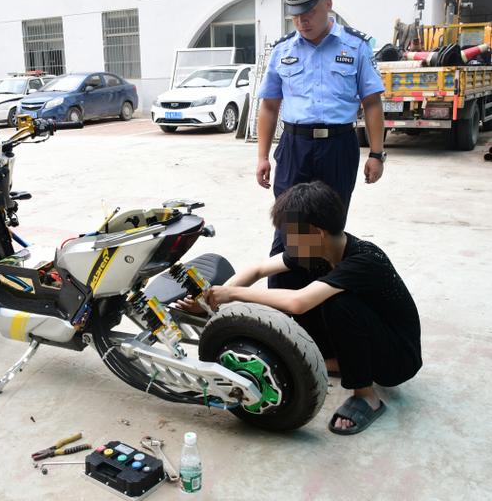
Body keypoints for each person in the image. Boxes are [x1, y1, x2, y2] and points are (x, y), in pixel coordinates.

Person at [179, 181, 422, 435]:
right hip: (367, 339)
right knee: (288, 278)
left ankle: (366, 396)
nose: (287, 243)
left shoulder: (364, 259)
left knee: (340, 303)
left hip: (396, 358)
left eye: (290, 236)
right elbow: (258, 270)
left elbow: (299, 302)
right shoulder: (320, 250)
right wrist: (211, 299)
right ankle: (335, 361)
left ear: (316, 233)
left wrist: (231, 294)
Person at [255, 0, 387, 289]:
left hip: (338, 147)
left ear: (328, 5)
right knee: (291, 224)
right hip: (295, 147)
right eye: (296, 16)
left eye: (309, 13)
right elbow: (269, 105)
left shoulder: (355, 46)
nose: (302, 22)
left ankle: (325, 298)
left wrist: (377, 154)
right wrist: (262, 156)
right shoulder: (283, 50)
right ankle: (285, 300)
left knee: (329, 227)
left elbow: (372, 103)